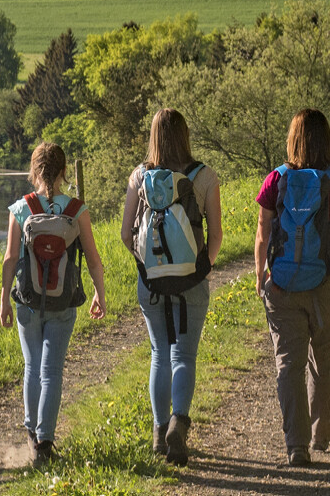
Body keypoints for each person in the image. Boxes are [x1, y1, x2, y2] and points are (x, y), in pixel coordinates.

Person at [253, 108, 330, 467]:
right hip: (329, 283)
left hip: (282, 286)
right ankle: (320, 433)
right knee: (324, 361)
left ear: (293, 139)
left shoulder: (276, 179)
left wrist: (260, 276)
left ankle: (297, 445)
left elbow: (263, 234)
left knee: (289, 364)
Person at [121, 108, 222, 465]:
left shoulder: (139, 176)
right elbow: (216, 234)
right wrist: (202, 269)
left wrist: (148, 267)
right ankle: (179, 422)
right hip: (192, 279)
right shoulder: (204, 176)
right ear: (185, 135)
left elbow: (126, 234)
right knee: (185, 355)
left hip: (151, 282)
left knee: (160, 353)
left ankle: (158, 433)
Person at [0, 142, 108, 467]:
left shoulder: (21, 208)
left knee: (32, 367)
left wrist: (4, 299)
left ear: (33, 172)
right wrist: (100, 293)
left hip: (28, 302)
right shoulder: (76, 210)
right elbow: (92, 258)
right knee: (51, 372)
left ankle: (31, 435)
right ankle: (45, 443)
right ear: (63, 172)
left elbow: (9, 258)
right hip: (63, 302)